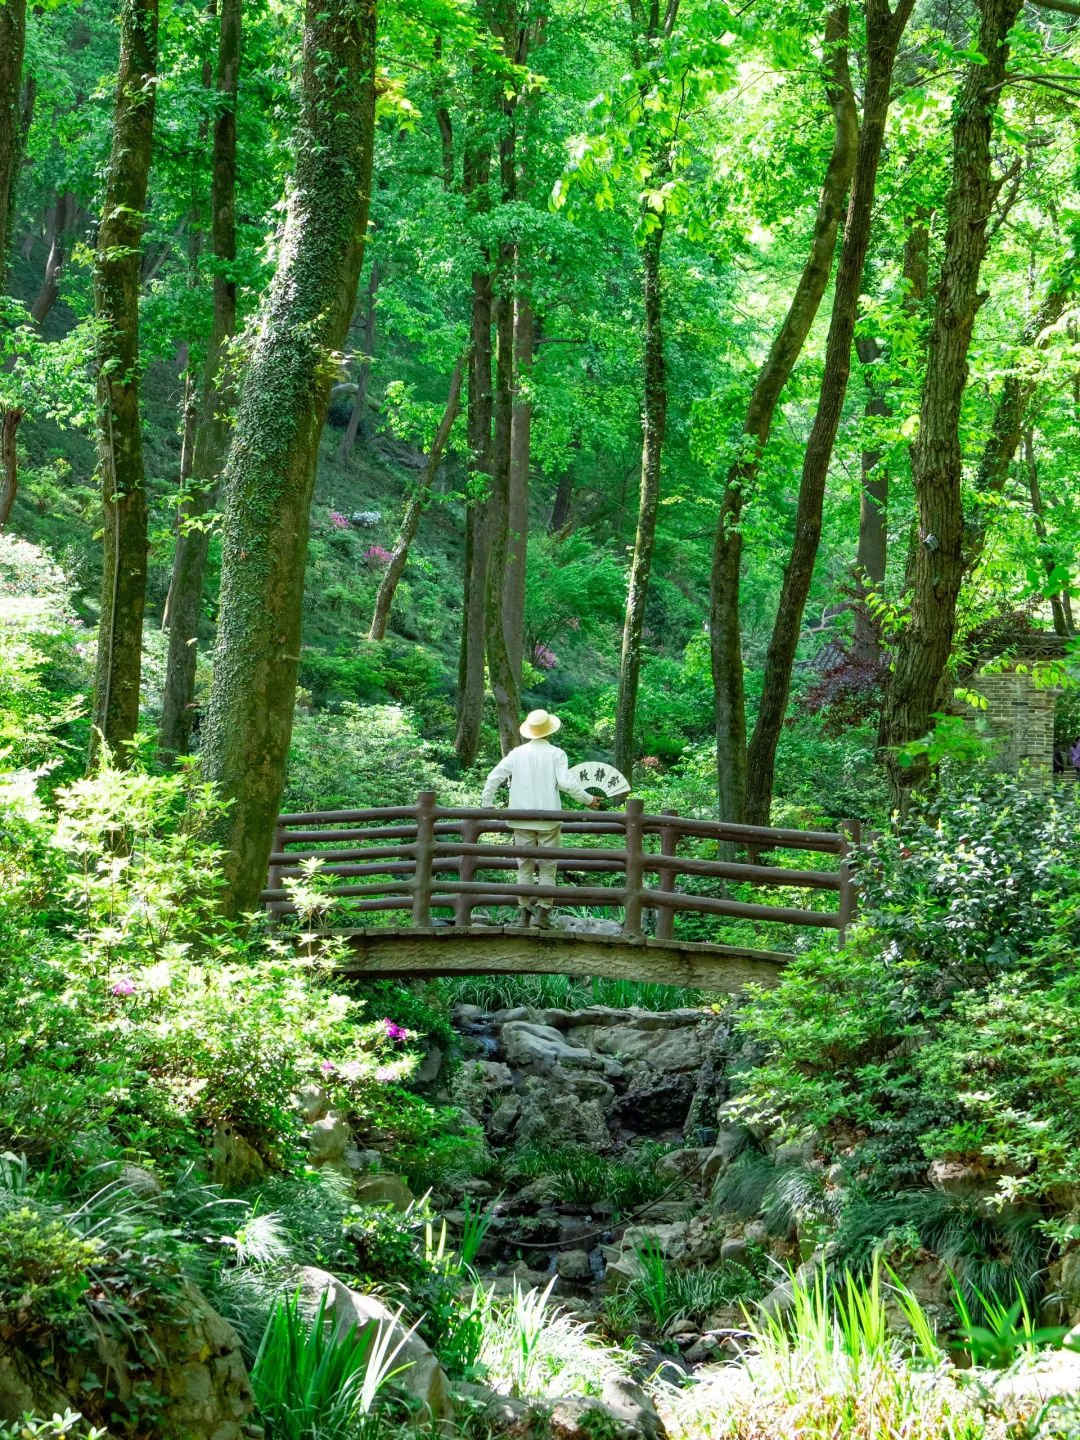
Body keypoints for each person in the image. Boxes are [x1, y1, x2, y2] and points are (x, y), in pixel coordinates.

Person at [481, 709, 600, 929]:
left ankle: (523, 916)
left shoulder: (517, 753)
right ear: (549, 731)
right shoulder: (556, 753)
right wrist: (588, 800)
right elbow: (567, 783)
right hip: (549, 819)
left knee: (524, 868)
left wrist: (488, 804)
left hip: (521, 819)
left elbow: (494, 776)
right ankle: (542, 914)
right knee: (548, 866)